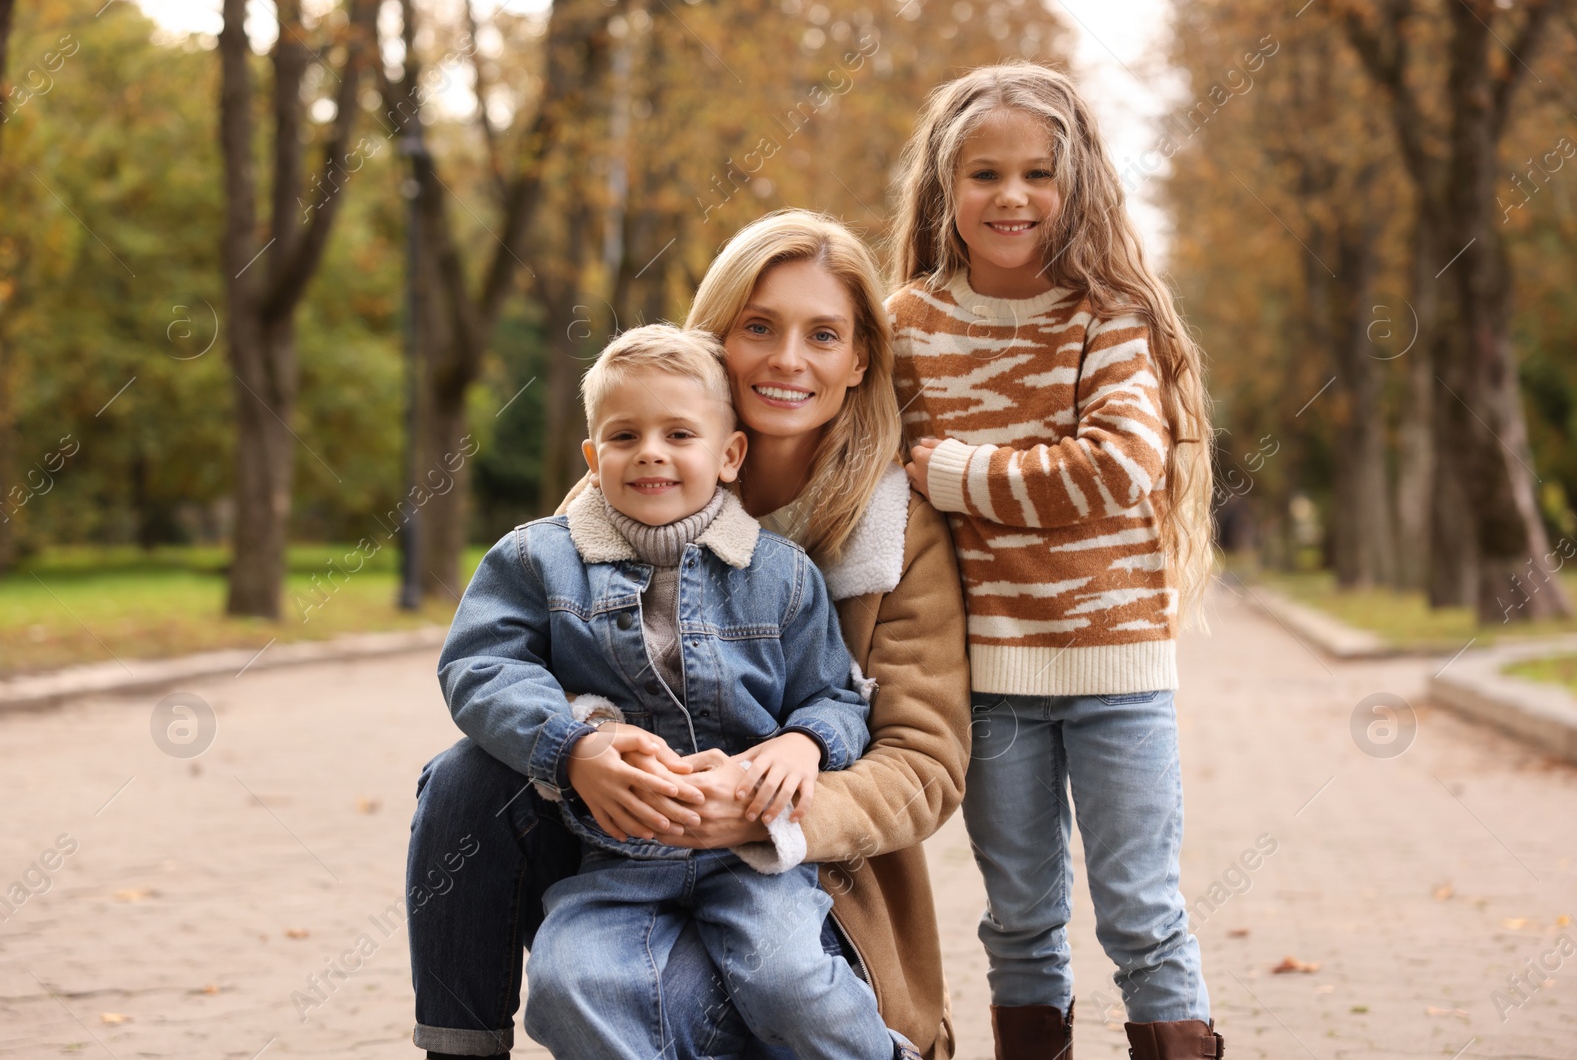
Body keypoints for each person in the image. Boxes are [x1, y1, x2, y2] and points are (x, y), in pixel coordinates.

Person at [407, 210, 971, 1059]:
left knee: (773, 983)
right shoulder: (607, 503)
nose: (787, 359)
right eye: (759, 327)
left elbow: (921, 761)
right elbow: (493, 662)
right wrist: (585, 742)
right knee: (464, 782)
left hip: (793, 872)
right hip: (621, 851)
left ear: (859, 360)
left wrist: (770, 795)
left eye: (822, 334)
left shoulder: (871, 542)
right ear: (716, 338)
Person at [887, 63, 1223, 1060]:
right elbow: (873, 476)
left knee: (1141, 912)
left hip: (1117, 669)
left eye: (1037, 172)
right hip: (984, 676)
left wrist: (952, 470)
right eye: (985, 173)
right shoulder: (910, 324)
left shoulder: (1104, 314)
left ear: (1073, 185)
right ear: (947, 186)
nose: (1012, 196)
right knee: (1019, 920)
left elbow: (1117, 464)